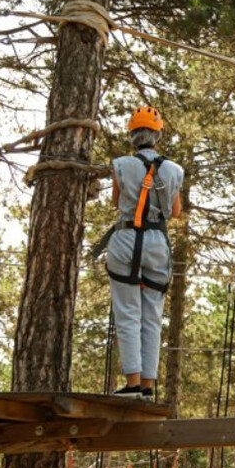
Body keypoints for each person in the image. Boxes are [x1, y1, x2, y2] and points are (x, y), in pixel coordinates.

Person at [104, 105, 184, 400]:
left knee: (128, 313)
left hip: (126, 238)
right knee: (152, 316)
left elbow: (117, 201)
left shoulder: (121, 165)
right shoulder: (175, 170)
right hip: (157, 243)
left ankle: (133, 383)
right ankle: (148, 386)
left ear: (132, 136)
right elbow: (175, 212)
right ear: (158, 136)